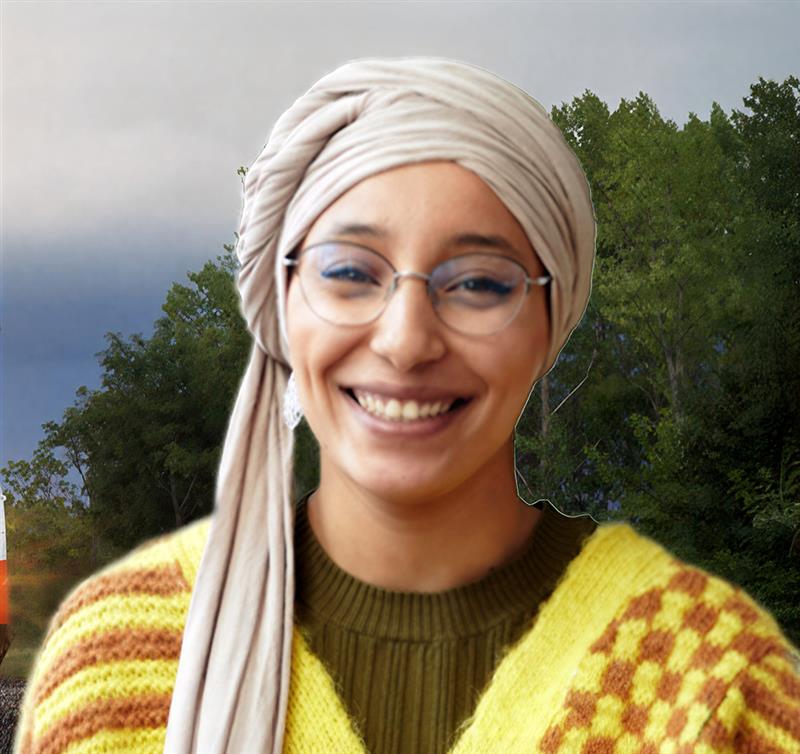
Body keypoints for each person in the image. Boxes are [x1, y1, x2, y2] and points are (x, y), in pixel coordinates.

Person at [14, 58, 800, 754]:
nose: (406, 340)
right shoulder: (113, 664)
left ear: (550, 322)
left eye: (479, 283)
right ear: (282, 304)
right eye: (349, 272)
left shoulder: (719, 684)